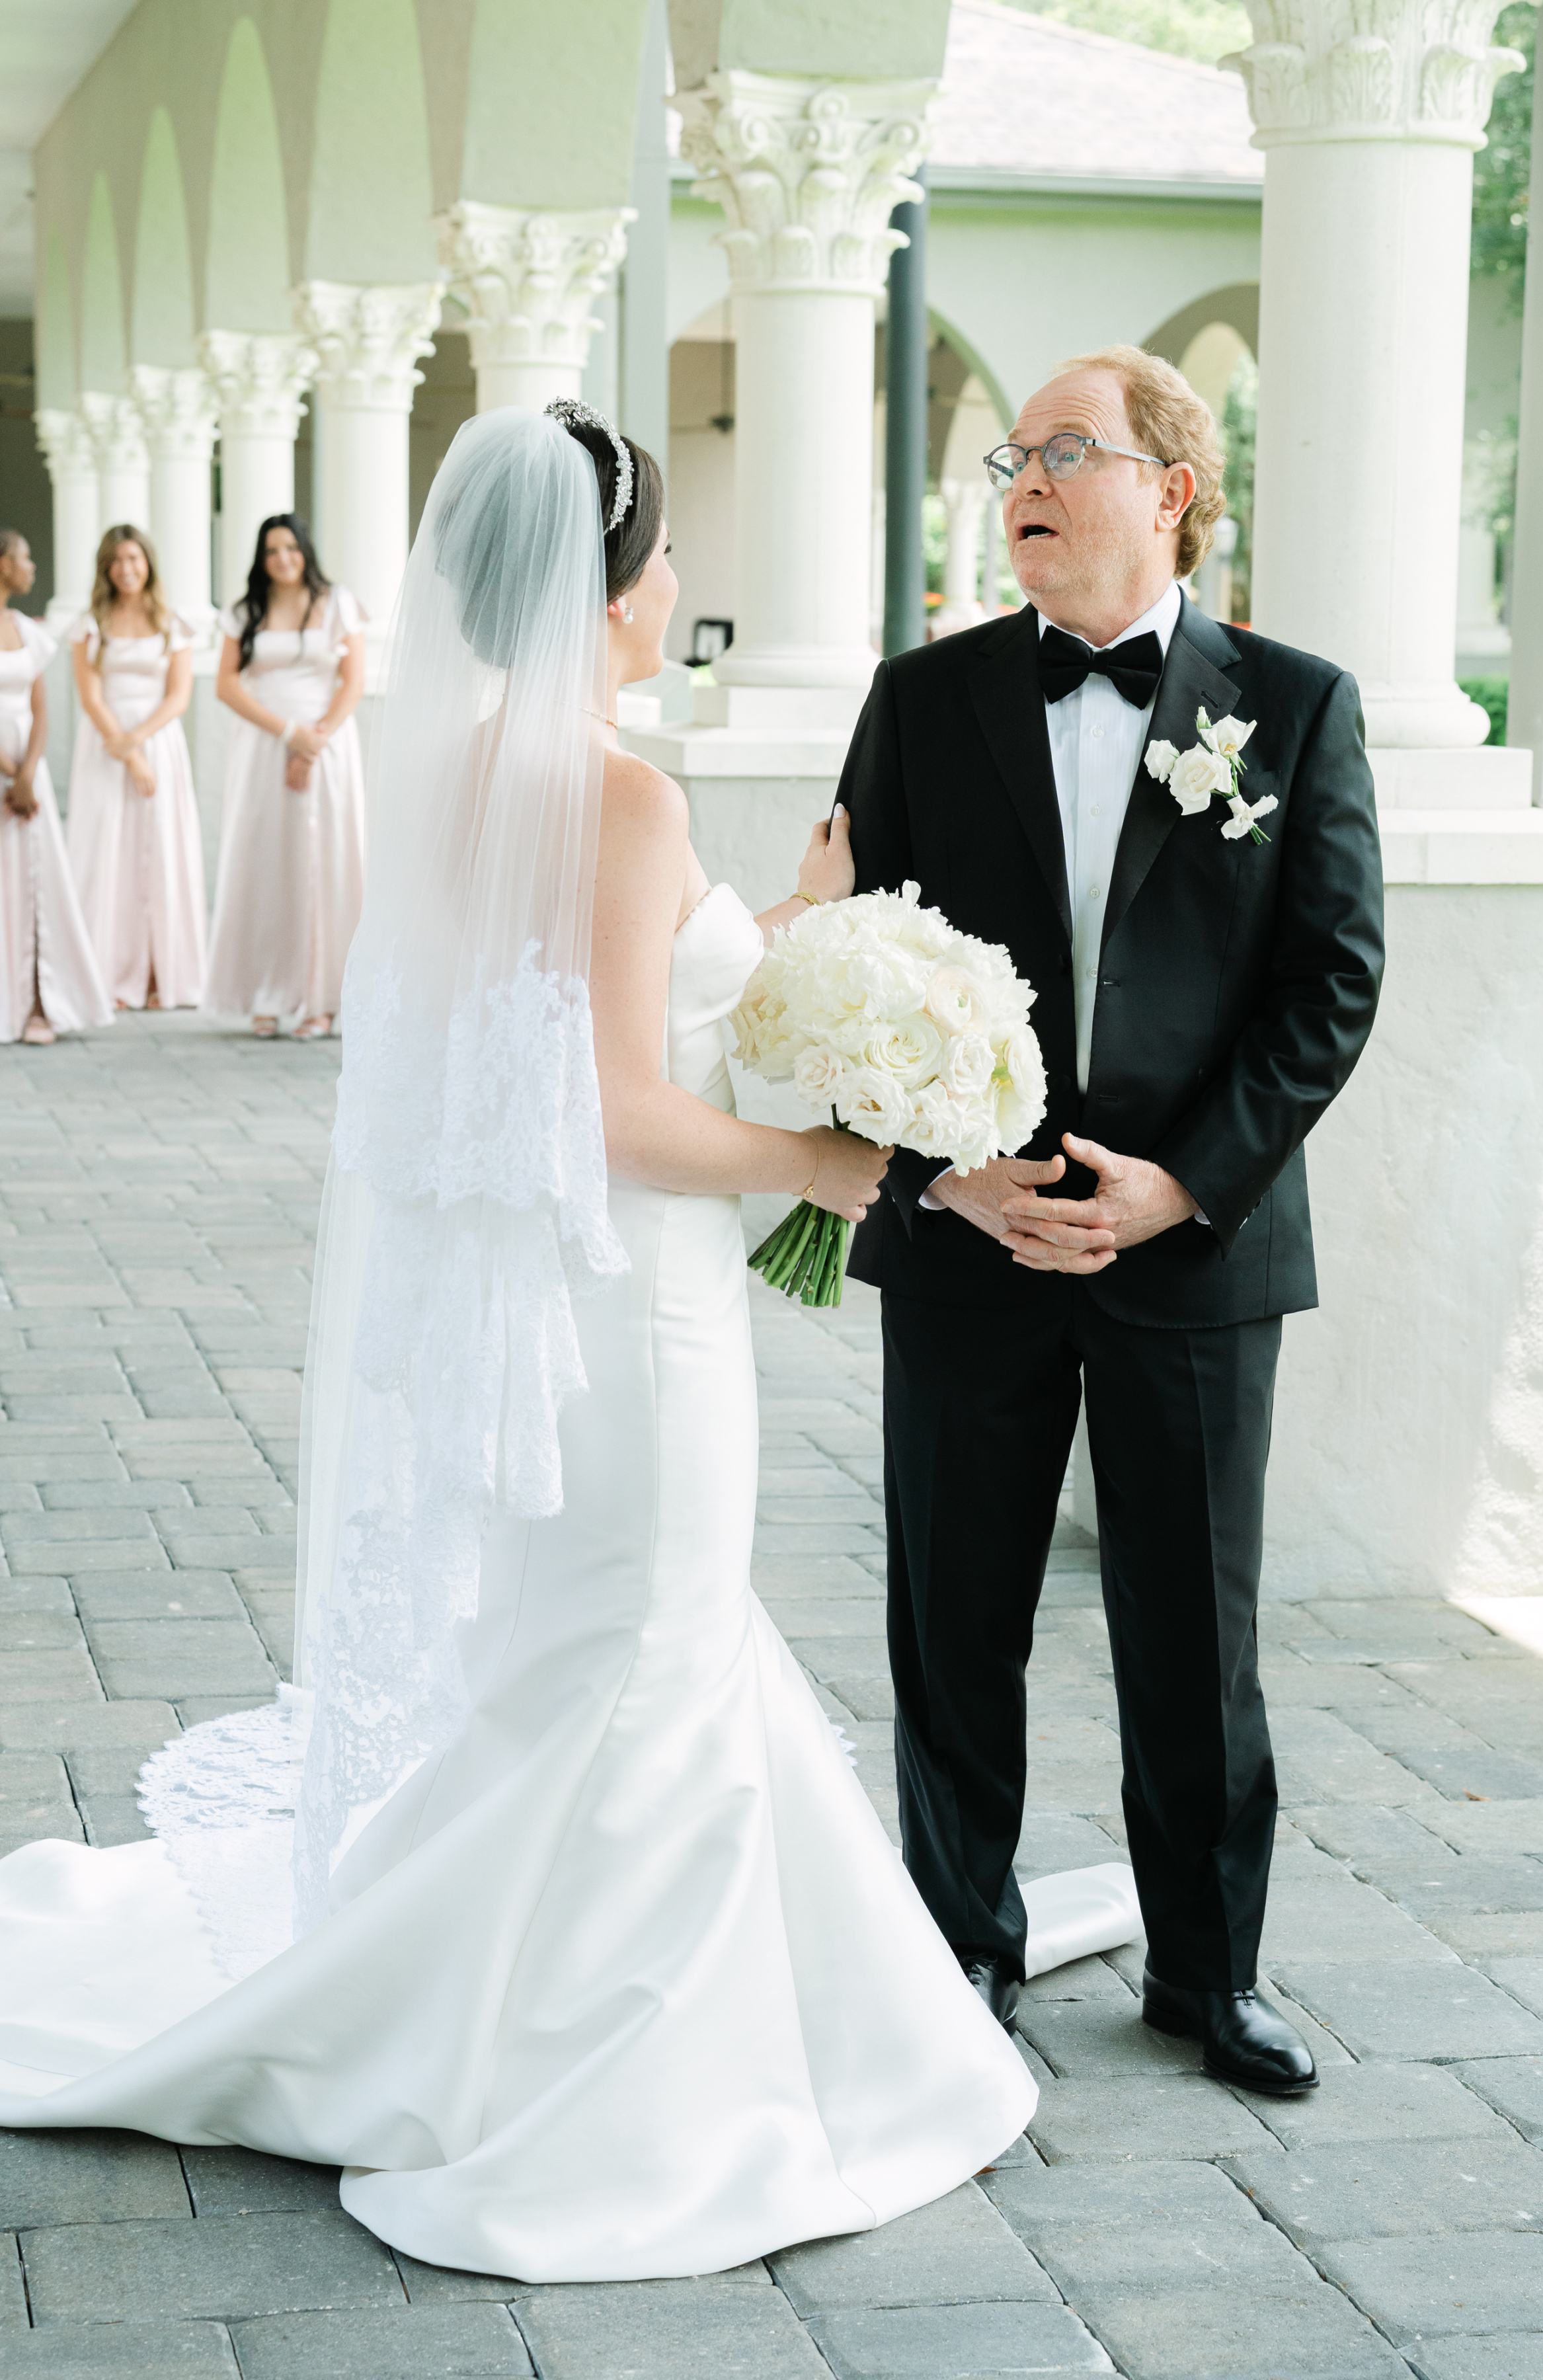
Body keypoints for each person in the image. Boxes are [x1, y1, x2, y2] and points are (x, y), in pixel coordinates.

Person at [0, 405, 1086, 2283]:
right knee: (646, 1652)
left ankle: (506, 1993)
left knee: (605, 1651)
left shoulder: (463, 776)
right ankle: (613, 2076)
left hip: (562, 1313)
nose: (677, 590)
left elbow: (580, 1026)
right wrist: (830, 1162)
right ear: (614, 585)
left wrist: (801, 930)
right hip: (638, 1312)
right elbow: (609, 1111)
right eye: (665, 562)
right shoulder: (622, 797)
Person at [840, 344, 1385, 2094]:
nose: (1027, 480)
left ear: (1175, 488)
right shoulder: (921, 698)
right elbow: (851, 961)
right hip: (973, 1243)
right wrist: (945, 1173)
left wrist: (1182, 1184)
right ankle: (960, 1951)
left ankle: (1211, 1978)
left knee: (1197, 1638)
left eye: (1069, 451)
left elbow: (1331, 982)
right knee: (953, 1621)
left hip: (1195, 1249)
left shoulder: (1294, 705)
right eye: (1015, 453)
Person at [206, 514, 366, 1039]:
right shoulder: (243, 612)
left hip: (326, 746)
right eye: (272, 550)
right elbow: (227, 686)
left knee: (324, 864)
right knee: (265, 864)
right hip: (263, 746)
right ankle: (267, 993)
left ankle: (322, 1001)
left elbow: (353, 681)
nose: (283, 559)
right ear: (261, 558)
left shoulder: (337, 603)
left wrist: (313, 741)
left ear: (305, 551)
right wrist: (288, 734)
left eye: (291, 548)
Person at [66, 524, 206, 1010]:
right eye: (117, 561)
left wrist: (140, 743)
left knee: (161, 851)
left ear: (148, 563)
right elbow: (91, 696)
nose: (126, 569)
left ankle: (159, 975)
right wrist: (127, 752)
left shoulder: (172, 623)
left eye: (134, 559)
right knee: (107, 855)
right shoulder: (90, 624)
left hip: (159, 744)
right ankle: (106, 976)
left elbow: (179, 696)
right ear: (106, 568)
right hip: (106, 747)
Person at [0, 529, 111, 1045]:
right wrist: (9, 772)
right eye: (24, 558)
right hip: (7, 771)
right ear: (3, 564)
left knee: (38, 882)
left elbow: (40, 708)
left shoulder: (27, 629)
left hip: (28, 772)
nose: (32, 567)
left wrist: (27, 774)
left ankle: (40, 1002)